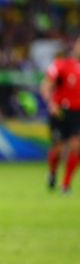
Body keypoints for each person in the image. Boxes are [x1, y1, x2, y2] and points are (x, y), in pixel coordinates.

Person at [41, 37, 80, 193]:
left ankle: (66, 184)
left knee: (76, 146)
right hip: (61, 111)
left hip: (78, 113)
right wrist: (51, 103)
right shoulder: (61, 65)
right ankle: (52, 172)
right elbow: (46, 85)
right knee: (57, 148)